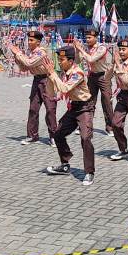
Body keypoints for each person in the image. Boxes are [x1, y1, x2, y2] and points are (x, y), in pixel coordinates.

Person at [44, 46, 95, 186]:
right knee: (58, 134)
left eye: (62, 59)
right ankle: (65, 164)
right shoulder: (63, 73)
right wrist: (49, 76)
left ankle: (89, 172)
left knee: (85, 138)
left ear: (71, 61)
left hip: (84, 108)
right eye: (59, 59)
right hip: (74, 107)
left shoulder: (77, 72)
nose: (60, 62)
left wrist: (53, 74)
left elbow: (65, 88)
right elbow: (51, 92)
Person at [9, 31, 57, 147]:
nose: (29, 42)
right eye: (28, 40)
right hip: (37, 80)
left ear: (38, 42)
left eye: (31, 40)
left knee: (50, 110)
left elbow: (29, 63)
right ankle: (32, 135)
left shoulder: (41, 52)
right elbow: (24, 68)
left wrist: (18, 53)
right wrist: (16, 57)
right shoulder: (30, 53)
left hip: (47, 81)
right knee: (33, 109)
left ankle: (54, 137)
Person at [73, 29, 114, 136]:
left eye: (89, 38)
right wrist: (77, 50)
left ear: (96, 38)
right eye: (86, 38)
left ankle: (110, 127)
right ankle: (85, 126)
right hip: (92, 76)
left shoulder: (101, 48)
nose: (87, 40)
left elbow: (91, 59)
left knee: (107, 101)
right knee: (89, 102)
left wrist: (80, 49)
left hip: (103, 77)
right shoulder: (85, 48)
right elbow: (77, 61)